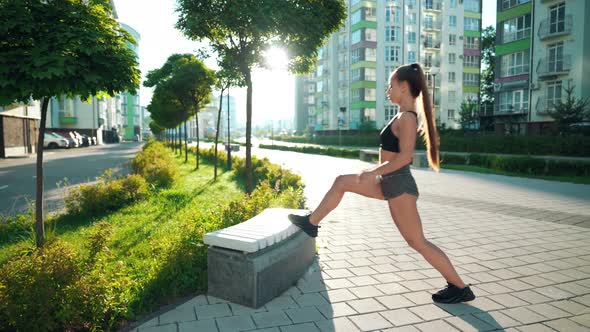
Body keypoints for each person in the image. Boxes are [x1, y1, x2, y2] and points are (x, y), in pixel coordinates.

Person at [288, 63, 475, 304]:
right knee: (341, 182)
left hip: (398, 185)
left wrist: (373, 171)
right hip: (388, 181)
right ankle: (311, 223)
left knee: (417, 242)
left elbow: (405, 157)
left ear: (404, 87)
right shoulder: (401, 115)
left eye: (391, 86)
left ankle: (459, 287)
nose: (388, 91)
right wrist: (375, 173)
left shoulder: (407, 117)